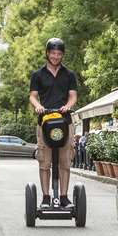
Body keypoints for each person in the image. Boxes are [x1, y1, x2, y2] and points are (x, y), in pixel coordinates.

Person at [29, 38, 78, 208]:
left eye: (59, 54)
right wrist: (38, 106)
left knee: (65, 160)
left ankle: (64, 196)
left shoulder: (69, 74)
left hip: (65, 121)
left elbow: (73, 97)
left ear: (62, 55)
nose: (56, 57)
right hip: (45, 121)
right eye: (53, 53)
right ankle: (46, 197)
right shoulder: (38, 74)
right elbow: (32, 96)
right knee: (45, 161)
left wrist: (67, 106)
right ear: (47, 53)